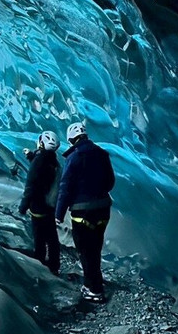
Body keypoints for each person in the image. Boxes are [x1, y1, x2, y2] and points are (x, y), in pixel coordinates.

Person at [55, 121, 115, 303]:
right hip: (103, 208)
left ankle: (93, 289)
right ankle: (96, 280)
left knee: (85, 250)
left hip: (82, 212)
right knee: (95, 247)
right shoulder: (102, 153)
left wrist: (58, 214)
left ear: (71, 138)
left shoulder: (74, 157)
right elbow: (110, 181)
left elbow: (65, 187)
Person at [18, 130, 61, 274]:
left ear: (42, 142)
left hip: (38, 205)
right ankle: (54, 264)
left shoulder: (40, 159)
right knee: (51, 236)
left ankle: (40, 263)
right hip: (49, 205)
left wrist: (23, 205)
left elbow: (32, 183)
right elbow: (44, 173)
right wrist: (32, 156)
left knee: (39, 236)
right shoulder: (53, 160)